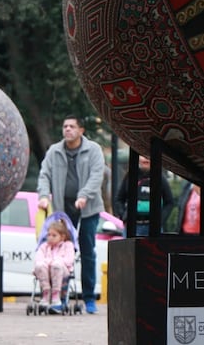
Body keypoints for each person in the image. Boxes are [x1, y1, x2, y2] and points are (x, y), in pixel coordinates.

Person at [37, 115, 106, 314]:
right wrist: (43, 196)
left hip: (88, 209)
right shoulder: (54, 151)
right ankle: (62, 297)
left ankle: (89, 298)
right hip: (62, 209)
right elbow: (44, 175)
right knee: (62, 253)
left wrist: (84, 196)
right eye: (65, 126)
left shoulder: (93, 150)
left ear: (81, 130)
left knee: (87, 252)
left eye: (72, 126)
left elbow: (96, 175)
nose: (67, 129)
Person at [114, 155, 175, 236]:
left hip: (153, 227)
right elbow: (119, 199)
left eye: (148, 156)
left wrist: (160, 220)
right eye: (143, 156)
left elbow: (169, 201)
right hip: (132, 226)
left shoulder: (160, 177)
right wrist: (123, 216)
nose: (146, 159)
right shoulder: (130, 176)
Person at [33, 219, 76, 314]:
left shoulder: (68, 245)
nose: (50, 238)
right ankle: (46, 293)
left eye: (54, 235)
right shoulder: (44, 247)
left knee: (56, 265)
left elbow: (69, 260)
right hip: (46, 271)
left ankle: (56, 296)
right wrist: (47, 262)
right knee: (40, 265)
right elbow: (38, 259)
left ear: (62, 237)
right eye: (48, 235)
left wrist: (54, 261)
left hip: (62, 271)